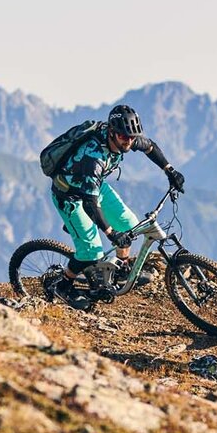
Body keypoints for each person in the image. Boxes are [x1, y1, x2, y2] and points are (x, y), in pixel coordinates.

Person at [44, 104, 185, 305]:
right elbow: (90, 204)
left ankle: (121, 271)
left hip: (95, 188)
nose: (129, 141)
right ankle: (62, 285)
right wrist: (111, 233)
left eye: (132, 137)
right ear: (112, 132)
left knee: (129, 225)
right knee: (91, 251)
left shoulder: (126, 138)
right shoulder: (93, 158)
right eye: (124, 136)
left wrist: (170, 171)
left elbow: (150, 147)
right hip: (70, 197)